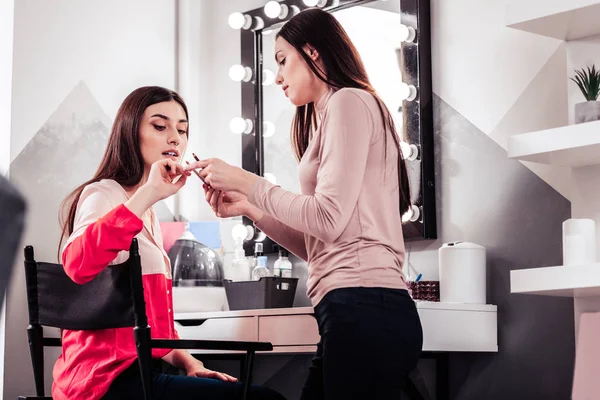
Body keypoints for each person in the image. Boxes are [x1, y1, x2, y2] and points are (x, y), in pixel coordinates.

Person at [185, 8, 424, 400]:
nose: (277, 76)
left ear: (312, 52)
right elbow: (319, 245)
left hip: (365, 306)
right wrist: (249, 207)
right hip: (352, 309)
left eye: (282, 60)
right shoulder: (331, 116)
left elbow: (326, 219)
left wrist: (248, 181)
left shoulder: (349, 102)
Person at [57, 86, 285, 400]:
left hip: (143, 374)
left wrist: (189, 361)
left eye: (182, 130)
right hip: (105, 381)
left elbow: (151, 324)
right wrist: (149, 193)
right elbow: (76, 265)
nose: (175, 138)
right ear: (129, 133)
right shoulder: (104, 193)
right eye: (160, 126)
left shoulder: (146, 212)